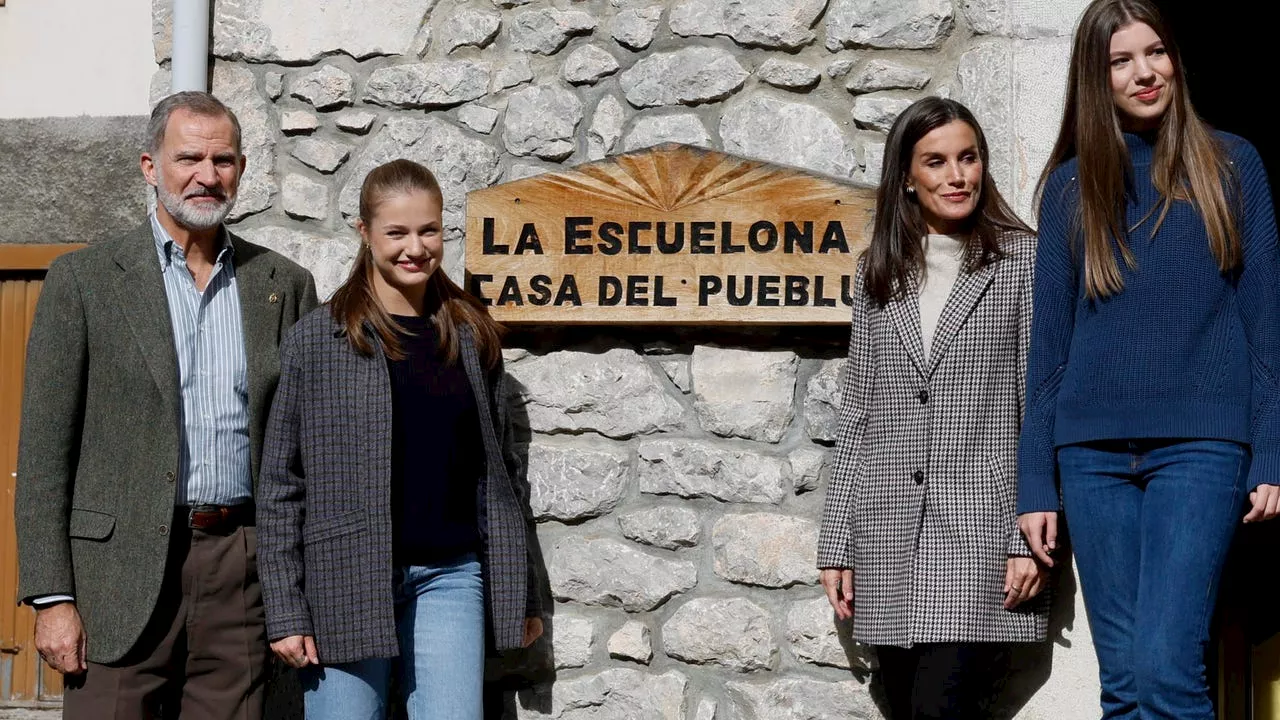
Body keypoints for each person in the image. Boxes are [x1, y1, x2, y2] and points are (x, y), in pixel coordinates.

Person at [14, 91, 319, 719]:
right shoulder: (85, 282)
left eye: (224, 160)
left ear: (242, 168)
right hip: (115, 576)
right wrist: (51, 598)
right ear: (150, 166)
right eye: (188, 158)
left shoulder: (283, 285)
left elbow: (302, 448)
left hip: (241, 567)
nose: (207, 176)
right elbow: (44, 454)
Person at [1016, 0, 1280, 717]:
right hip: (1091, 455)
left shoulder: (1233, 164)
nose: (1144, 73)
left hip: (1203, 448)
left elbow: (1264, 325)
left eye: (1155, 52)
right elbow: (1049, 347)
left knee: (1167, 673)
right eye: (1120, 61)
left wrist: (1269, 454)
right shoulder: (1071, 185)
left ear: (1175, 60)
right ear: (1094, 80)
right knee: (1125, 685)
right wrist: (1035, 482)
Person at [257, 158, 544, 720]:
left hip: (451, 579)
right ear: (364, 233)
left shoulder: (470, 332)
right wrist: (286, 609)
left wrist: (522, 591)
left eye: (428, 230)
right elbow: (280, 484)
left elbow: (500, 477)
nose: (415, 247)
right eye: (397, 232)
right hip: (344, 577)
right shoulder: (317, 341)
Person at [817, 96, 1049, 719]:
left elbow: (1038, 404)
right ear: (908, 179)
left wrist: (1026, 538)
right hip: (888, 541)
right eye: (937, 162)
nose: (957, 176)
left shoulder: (1023, 263)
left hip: (981, 537)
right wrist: (837, 543)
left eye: (968, 158)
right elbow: (859, 414)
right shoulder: (879, 273)